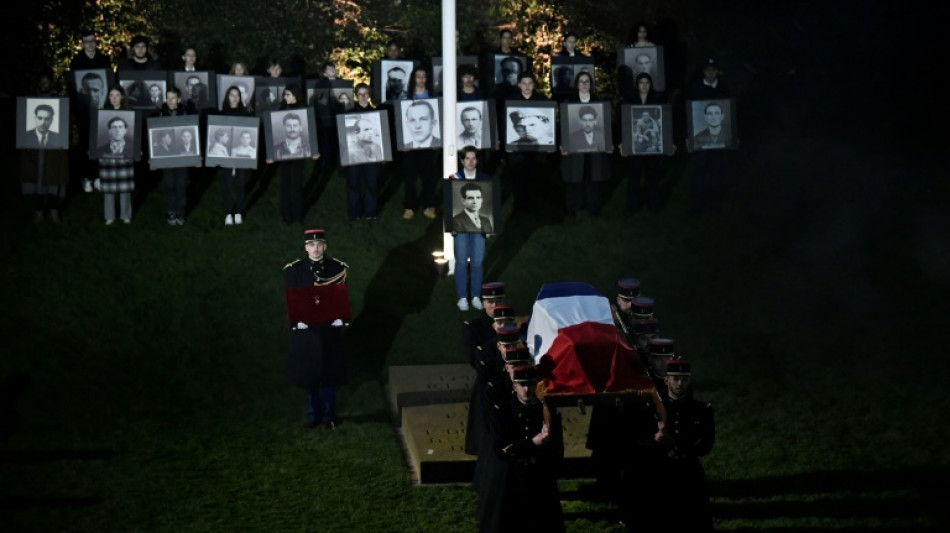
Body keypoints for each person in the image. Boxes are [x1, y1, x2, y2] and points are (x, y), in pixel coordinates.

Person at [477, 366, 565, 533]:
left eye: (530, 384)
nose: (526, 389)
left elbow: (557, 450)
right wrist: (532, 443)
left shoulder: (547, 411)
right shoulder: (502, 412)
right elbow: (500, 449)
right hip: (511, 480)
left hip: (540, 479)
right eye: (522, 384)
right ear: (514, 386)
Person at [284, 229, 349, 430]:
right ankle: (313, 415)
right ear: (305, 247)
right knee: (310, 374)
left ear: (325, 246)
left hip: (329, 329)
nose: (316, 248)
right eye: (311, 245)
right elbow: (292, 299)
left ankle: (329, 415)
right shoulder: (294, 270)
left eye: (319, 244)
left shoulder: (337, 267)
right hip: (308, 331)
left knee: (329, 373)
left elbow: (341, 297)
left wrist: (342, 318)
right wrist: (297, 321)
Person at [652, 360, 715, 532]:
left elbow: (705, 445)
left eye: (684, 379)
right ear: (666, 380)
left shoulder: (702, 410)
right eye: (675, 379)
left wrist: (676, 444)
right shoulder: (655, 409)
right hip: (662, 471)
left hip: (689, 472)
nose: (680, 384)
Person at [686, 56, 732, 216]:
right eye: (708, 70)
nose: (710, 73)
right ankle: (695, 206)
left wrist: (732, 135)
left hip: (719, 139)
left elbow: (730, 113)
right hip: (700, 138)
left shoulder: (724, 89)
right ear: (704, 71)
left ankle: (714, 205)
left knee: (717, 172)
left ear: (718, 71)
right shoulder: (695, 88)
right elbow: (690, 113)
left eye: (713, 70)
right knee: (699, 171)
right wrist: (689, 136)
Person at [21, 73, 68, 223]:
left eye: (47, 81)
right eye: (42, 81)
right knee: (38, 179)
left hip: (54, 149)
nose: (44, 84)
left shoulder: (58, 101)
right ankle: (39, 210)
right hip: (36, 150)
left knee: (54, 179)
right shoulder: (31, 100)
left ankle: (53, 210)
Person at [268, 85, 319, 224]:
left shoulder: (304, 110)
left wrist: (314, 151)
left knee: (297, 183)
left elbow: (312, 129)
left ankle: (297, 213)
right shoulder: (281, 110)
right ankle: (285, 214)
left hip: (300, 154)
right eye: (285, 94)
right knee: (285, 183)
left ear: (295, 95)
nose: (285, 97)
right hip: (284, 154)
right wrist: (271, 154)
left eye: (288, 94)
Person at [70, 29, 112, 194]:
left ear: (96, 41)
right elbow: (72, 88)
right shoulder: (77, 61)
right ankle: (86, 177)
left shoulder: (104, 60)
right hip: (83, 112)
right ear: (82, 43)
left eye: (92, 40)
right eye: (86, 41)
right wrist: (75, 110)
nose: (90, 44)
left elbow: (109, 83)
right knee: (84, 145)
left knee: (100, 144)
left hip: (101, 111)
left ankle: (97, 177)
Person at [451, 148, 493, 310]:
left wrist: (489, 227)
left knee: (477, 262)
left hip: (480, 228)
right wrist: (451, 226)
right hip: (460, 227)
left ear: (477, 160)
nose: (470, 161)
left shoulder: (484, 178)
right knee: (461, 262)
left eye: (473, 158)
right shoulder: (455, 178)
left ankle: (475, 296)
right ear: (462, 161)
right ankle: (462, 297)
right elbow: (450, 202)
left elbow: (489, 203)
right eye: (467, 158)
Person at [154, 86, 197, 226]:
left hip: (182, 157)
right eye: (168, 98)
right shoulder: (160, 113)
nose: (170, 101)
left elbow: (193, 135)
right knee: (169, 184)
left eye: (173, 98)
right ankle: (171, 211)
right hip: (166, 157)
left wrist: (196, 157)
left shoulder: (186, 113)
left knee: (181, 185)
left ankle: (181, 212)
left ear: (179, 99)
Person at [96, 86, 135, 224]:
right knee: (108, 187)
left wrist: (136, 150)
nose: (114, 98)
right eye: (111, 95)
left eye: (117, 95)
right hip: (107, 157)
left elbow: (136, 135)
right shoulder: (102, 113)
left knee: (125, 188)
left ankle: (125, 215)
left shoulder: (129, 113)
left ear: (122, 97)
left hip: (126, 155)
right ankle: (109, 216)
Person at [343, 83, 382, 221]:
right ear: (356, 96)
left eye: (365, 94)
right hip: (354, 155)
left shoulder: (376, 114)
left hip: (372, 155)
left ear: (369, 95)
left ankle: (370, 213)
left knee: (370, 183)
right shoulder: (349, 115)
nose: (363, 97)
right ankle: (354, 212)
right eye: (360, 94)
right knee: (353, 183)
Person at [219, 85, 254, 225]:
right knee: (227, 184)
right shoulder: (221, 114)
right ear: (227, 97)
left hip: (241, 154)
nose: (234, 98)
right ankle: (228, 213)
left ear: (240, 98)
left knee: (240, 184)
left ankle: (238, 211)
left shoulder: (245, 114)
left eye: (237, 95)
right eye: (232, 95)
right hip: (226, 155)